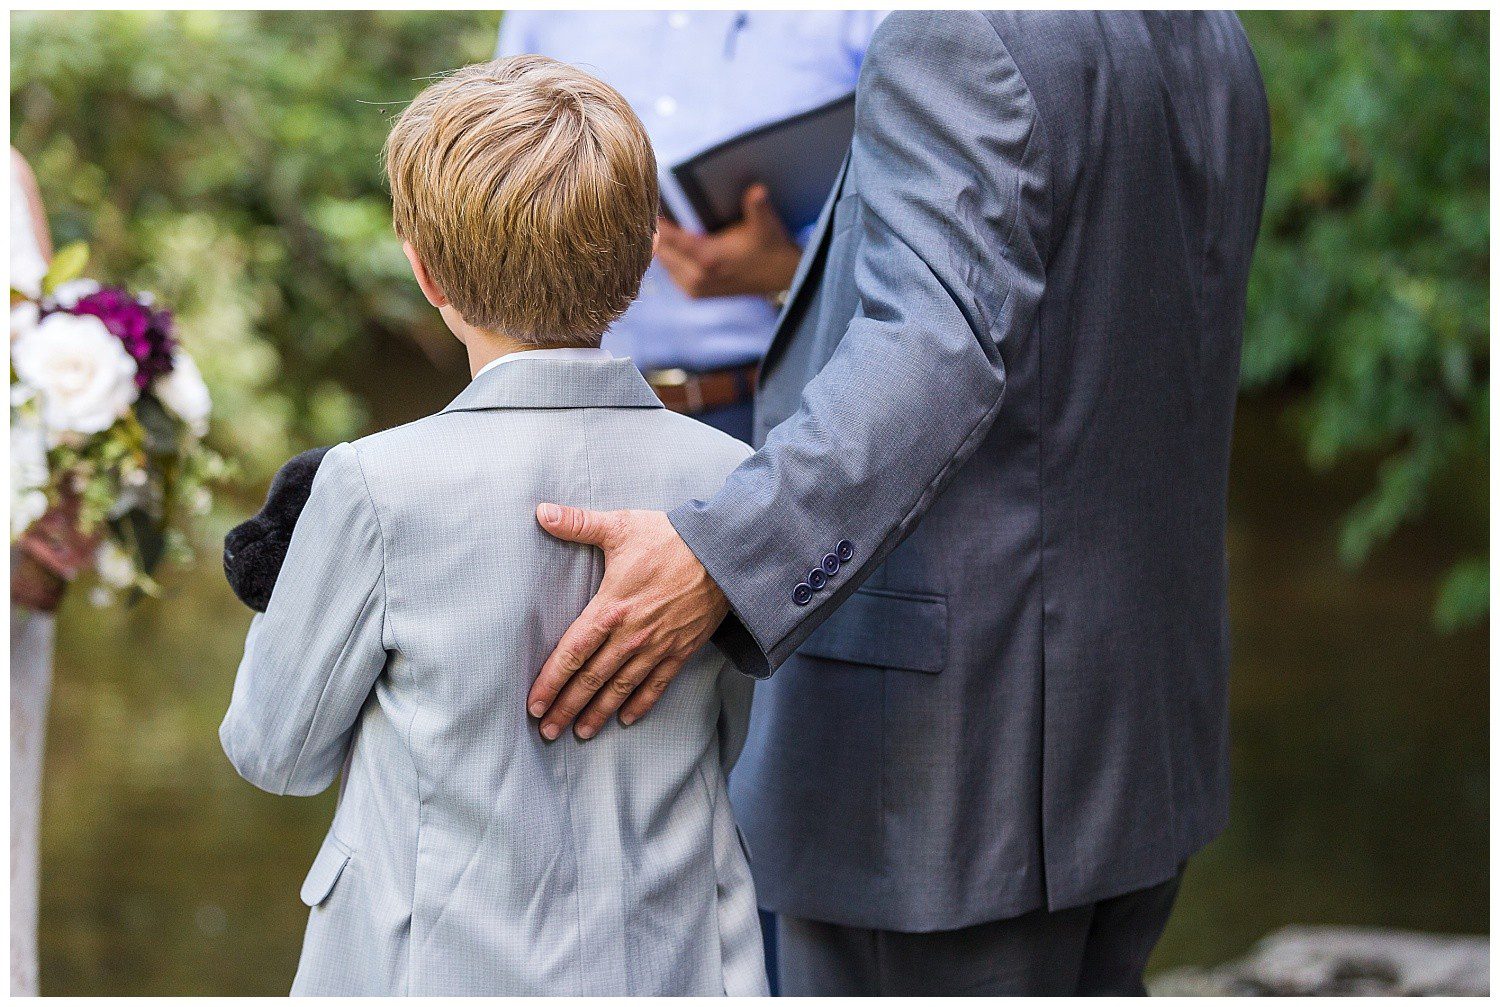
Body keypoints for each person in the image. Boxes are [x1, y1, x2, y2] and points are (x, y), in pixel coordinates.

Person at [522, 11, 1271, 996]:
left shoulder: (955, 33)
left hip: (949, 766)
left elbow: (934, 349)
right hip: (1136, 731)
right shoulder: (1206, 31)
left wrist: (719, 559)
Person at [218, 57, 765, 995]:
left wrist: (290, 578)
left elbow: (276, 750)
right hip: (676, 965)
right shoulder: (737, 480)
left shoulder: (370, 486)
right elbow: (731, 735)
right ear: (640, 263)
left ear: (424, 271)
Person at [497, 11, 882, 442]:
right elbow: (502, 180)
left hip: (792, 408)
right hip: (575, 407)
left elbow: (925, 230)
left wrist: (796, 271)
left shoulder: (861, 16)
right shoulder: (540, 15)